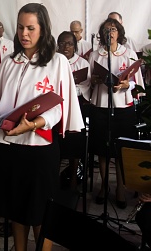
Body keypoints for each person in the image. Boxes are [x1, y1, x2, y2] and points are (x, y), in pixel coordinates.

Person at [0, 3, 84, 251]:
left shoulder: (57, 62)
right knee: (16, 210)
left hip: (40, 149)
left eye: (30, 28)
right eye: (20, 27)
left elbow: (59, 107)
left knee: (40, 212)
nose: (24, 34)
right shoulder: (9, 62)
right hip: (10, 147)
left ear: (43, 29)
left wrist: (33, 125)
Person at [88, 18, 145, 209]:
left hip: (123, 107)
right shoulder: (96, 54)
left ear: (119, 32)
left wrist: (127, 84)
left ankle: (120, 187)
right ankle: (104, 185)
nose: (109, 33)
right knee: (102, 150)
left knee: (120, 150)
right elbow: (88, 81)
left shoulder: (128, 53)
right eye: (105, 29)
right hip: (101, 106)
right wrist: (95, 81)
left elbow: (137, 82)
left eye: (113, 29)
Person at [56, 31, 91, 192]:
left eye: (69, 43)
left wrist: (68, 90)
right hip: (57, 107)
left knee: (74, 143)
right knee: (57, 142)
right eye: (62, 43)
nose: (65, 47)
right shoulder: (53, 61)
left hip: (76, 106)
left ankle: (73, 179)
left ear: (75, 46)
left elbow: (85, 86)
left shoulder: (83, 63)